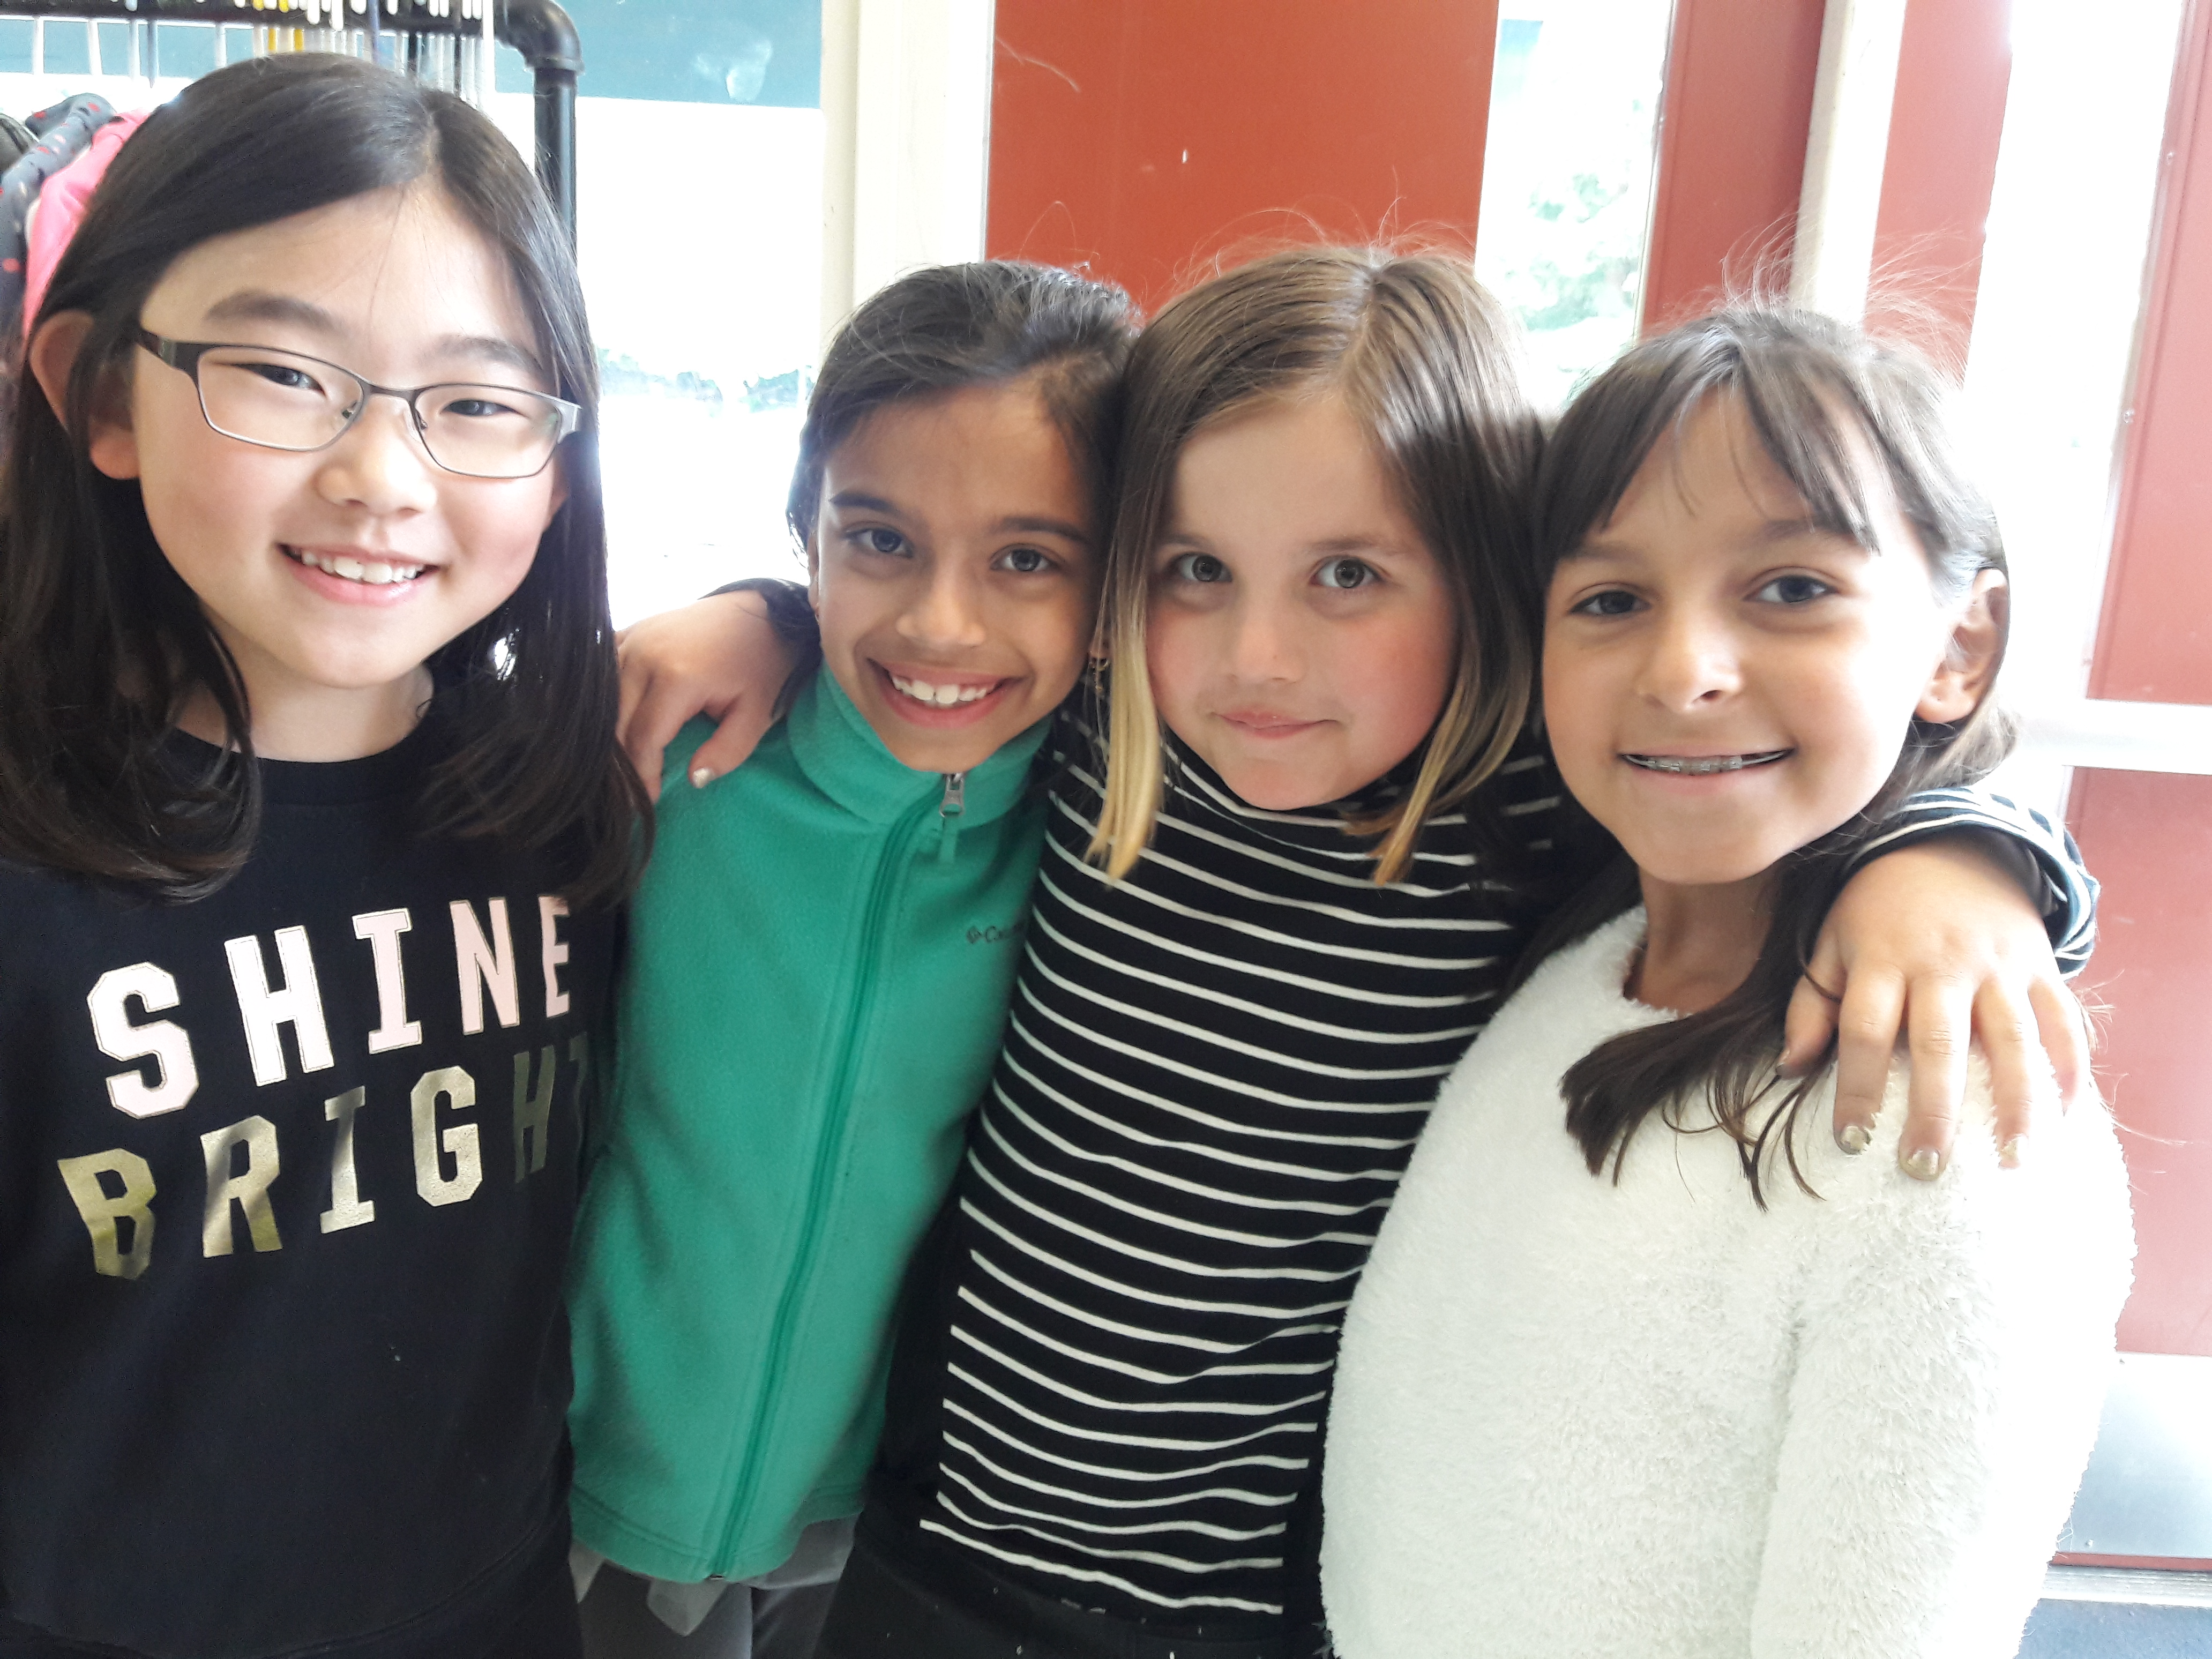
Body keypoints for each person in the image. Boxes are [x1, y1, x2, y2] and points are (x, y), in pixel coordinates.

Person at [616, 249, 2099, 1658]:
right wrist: (769, 614)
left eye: (1347, 577)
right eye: (1196, 568)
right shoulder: (1109, 730)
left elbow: (1782, 778)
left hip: (1257, 1612)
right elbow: (953, 604)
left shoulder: (1531, 810)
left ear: (1486, 584)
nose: (1259, 654)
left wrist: (1969, 855)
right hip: (937, 1544)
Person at [1321, 307, 2133, 1658]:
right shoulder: (1580, 962)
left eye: (1793, 588)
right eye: (1610, 600)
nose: (1684, 669)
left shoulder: (1951, 1107)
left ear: (1959, 647)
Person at [0, 54, 641, 1659]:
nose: (382, 476)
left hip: (492, 1612)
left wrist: (776, 620)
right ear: (98, 395)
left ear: (557, 460)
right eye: (283, 375)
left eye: (479, 403)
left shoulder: (580, 804)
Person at [563, 261, 1138, 1659]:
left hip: (861, 1529)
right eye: (878, 540)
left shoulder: (1106, 826)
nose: (943, 625)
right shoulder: (677, 761)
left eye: (1027, 558)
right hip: (563, 1501)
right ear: (805, 532)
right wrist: (755, 611)